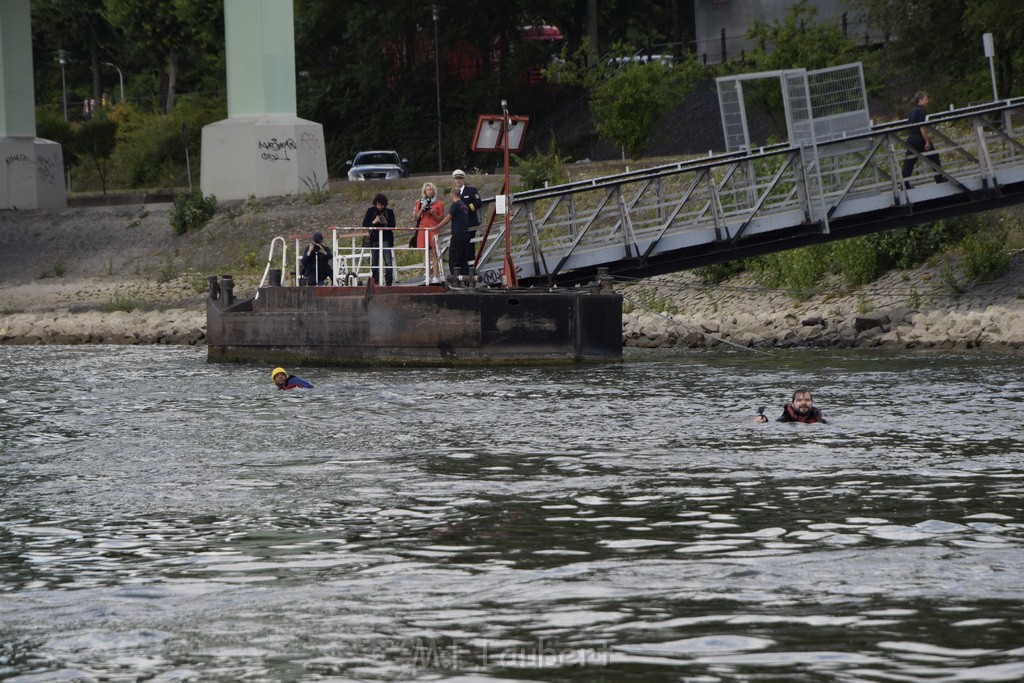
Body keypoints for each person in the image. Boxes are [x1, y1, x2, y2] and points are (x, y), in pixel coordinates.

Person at [901, 91, 944, 187]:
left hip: (911, 139)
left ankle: (905, 183)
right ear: (920, 100)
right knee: (933, 155)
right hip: (919, 139)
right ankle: (939, 178)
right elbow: (922, 127)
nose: (927, 101)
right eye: (926, 99)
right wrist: (927, 141)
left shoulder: (912, 110)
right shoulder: (921, 110)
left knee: (910, 161)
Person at [412, 182, 445, 284]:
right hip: (423, 230)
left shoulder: (439, 203)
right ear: (424, 192)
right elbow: (415, 218)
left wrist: (433, 212)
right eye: (427, 190)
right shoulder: (419, 202)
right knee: (425, 253)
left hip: (434, 229)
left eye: (430, 189)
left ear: (433, 190)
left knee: (434, 253)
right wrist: (422, 208)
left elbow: (441, 219)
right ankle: (427, 275)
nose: (429, 191)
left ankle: (435, 276)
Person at [434, 187, 471, 277]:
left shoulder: (455, 204)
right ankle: (466, 280)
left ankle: (456, 280)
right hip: (466, 235)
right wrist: (452, 228)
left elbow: (447, 219)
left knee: (454, 259)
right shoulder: (464, 206)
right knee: (463, 259)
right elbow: (462, 221)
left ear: (452, 195)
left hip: (458, 236)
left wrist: (436, 227)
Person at [362, 193, 396, 286]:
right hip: (374, 239)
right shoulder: (371, 211)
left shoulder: (389, 212)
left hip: (386, 239)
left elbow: (393, 225)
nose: (379, 207)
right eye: (378, 205)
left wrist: (385, 222)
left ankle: (388, 281)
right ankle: (375, 280)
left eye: (381, 205)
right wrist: (374, 222)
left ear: (384, 204)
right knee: (374, 261)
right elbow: (364, 223)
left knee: (388, 261)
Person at [451, 169, 482, 266]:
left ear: (463, 179)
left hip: (470, 222)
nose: (458, 180)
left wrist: (467, 208)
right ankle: (463, 267)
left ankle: (471, 266)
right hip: (459, 226)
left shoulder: (471, 190)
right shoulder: (454, 192)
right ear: (454, 180)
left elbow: (478, 202)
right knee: (460, 248)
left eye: (460, 178)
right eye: (456, 179)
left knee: (470, 246)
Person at [755, 388, 827, 423]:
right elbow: (772, 424)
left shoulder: (820, 421)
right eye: (799, 400)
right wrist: (764, 419)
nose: (804, 403)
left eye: (807, 400)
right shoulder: (784, 420)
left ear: (812, 403)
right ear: (792, 404)